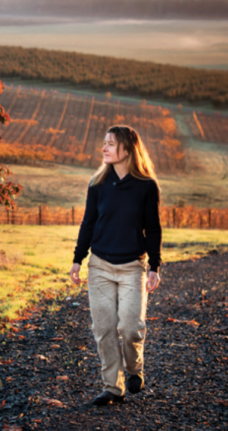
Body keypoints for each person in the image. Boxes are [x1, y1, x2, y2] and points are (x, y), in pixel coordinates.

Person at [69, 125, 162, 406]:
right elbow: (88, 223)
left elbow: (153, 229)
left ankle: (135, 369)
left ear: (127, 149)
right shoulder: (98, 185)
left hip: (133, 266)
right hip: (99, 267)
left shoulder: (146, 186)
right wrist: (77, 259)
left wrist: (154, 266)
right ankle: (113, 387)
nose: (104, 148)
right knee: (105, 328)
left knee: (132, 327)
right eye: (104, 143)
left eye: (110, 143)